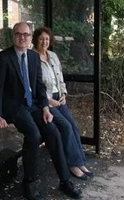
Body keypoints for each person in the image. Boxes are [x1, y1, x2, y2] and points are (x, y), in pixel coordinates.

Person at [0, 22, 82, 200]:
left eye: (25, 34)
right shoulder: (3, 58)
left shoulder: (33, 57)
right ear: (13, 36)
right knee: (33, 134)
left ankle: (65, 181)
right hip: (15, 108)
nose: (22, 37)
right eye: (18, 34)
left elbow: (39, 86)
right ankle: (29, 183)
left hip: (33, 105)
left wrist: (46, 108)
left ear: (30, 37)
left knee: (53, 131)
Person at [32, 26, 94, 180]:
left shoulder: (53, 55)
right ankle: (72, 164)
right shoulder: (32, 58)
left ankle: (80, 162)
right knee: (65, 127)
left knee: (73, 126)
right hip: (45, 102)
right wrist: (47, 100)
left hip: (59, 98)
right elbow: (33, 86)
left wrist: (64, 93)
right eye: (41, 39)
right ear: (35, 40)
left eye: (47, 39)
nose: (44, 42)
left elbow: (60, 78)